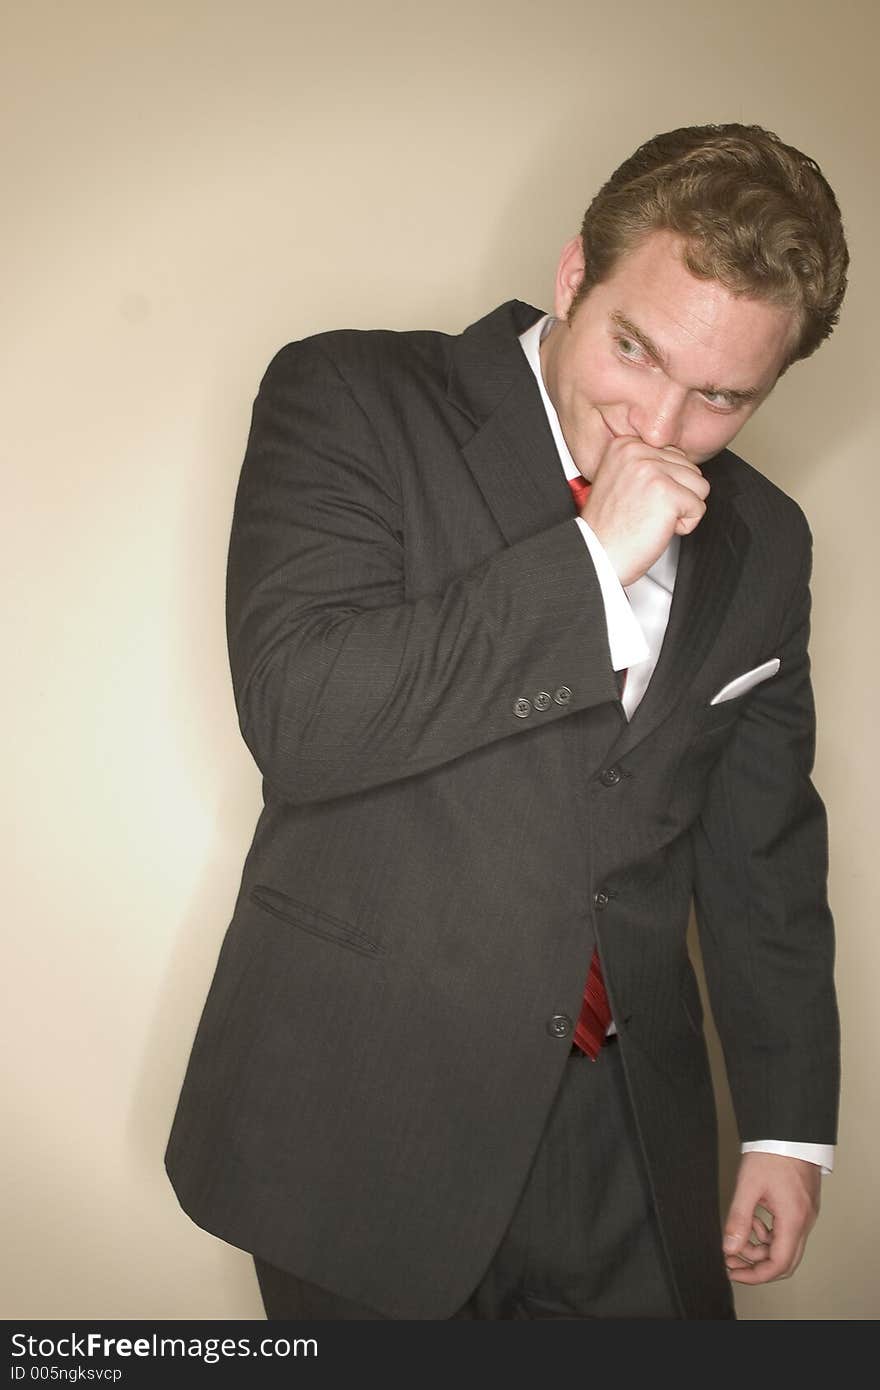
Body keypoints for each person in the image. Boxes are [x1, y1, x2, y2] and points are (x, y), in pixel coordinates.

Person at [165, 123, 847, 1320]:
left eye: (720, 396)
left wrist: (789, 1128)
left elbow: (763, 858)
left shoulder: (769, 540)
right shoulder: (350, 396)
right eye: (634, 349)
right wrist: (590, 562)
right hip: (362, 1125)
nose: (657, 424)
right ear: (575, 275)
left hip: (631, 1141)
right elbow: (305, 717)